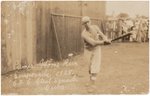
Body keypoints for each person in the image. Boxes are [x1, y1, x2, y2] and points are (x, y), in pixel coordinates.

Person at [81, 16, 111, 84]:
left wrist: (106, 39)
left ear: (90, 21)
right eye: (85, 23)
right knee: (90, 68)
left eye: (88, 22)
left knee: (95, 66)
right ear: (83, 25)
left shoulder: (95, 27)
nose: (87, 24)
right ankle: (91, 79)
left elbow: (102, 35)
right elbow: (93, 43)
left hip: (96, 49)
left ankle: (92, 84)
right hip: (88, 50)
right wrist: (104, 43)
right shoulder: (84, 34)